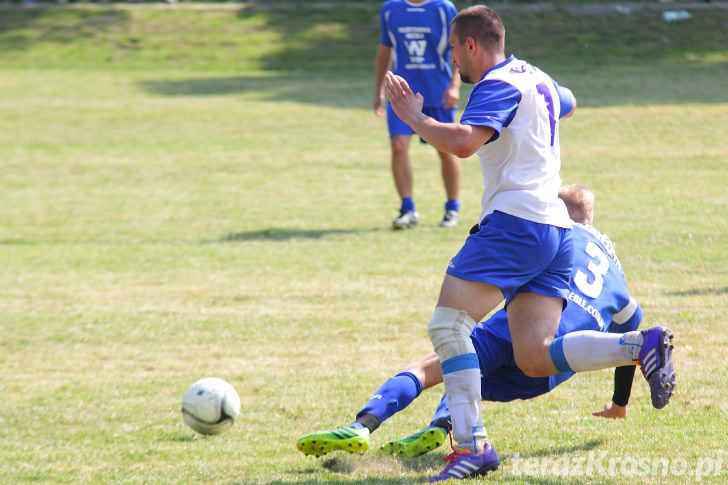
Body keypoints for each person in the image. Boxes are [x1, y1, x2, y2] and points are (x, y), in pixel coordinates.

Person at [382, 6, 675, 480]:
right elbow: (569, 100)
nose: (452, 59)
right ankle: (637, 345)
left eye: (453, 49)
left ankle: (473, 446)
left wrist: (414, 116)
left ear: (471, 45)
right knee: (534, 354)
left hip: (515, 225)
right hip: (557, 230)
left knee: (448, 328)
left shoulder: (495, 85)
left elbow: (462, 143)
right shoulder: (533, 76)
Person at [296, 186, 645, 472]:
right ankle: (439, 428)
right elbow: (629, 331)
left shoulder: (551, 234)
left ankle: (362, 426)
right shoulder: (616, 274)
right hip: (547, 373)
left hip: (515, 330)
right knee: (469, 383)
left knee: (443, 364)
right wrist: (619, 405)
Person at [374, 0, 463, 229]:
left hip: (437, 92)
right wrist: (378, 91)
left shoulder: (444, 9)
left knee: (446, 151)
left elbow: (457, 49)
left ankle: (452, 209)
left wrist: (455, 85)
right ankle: (407, 209)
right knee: (398, 146)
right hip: (401, 93)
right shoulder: (390, 9)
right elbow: (384, 53)